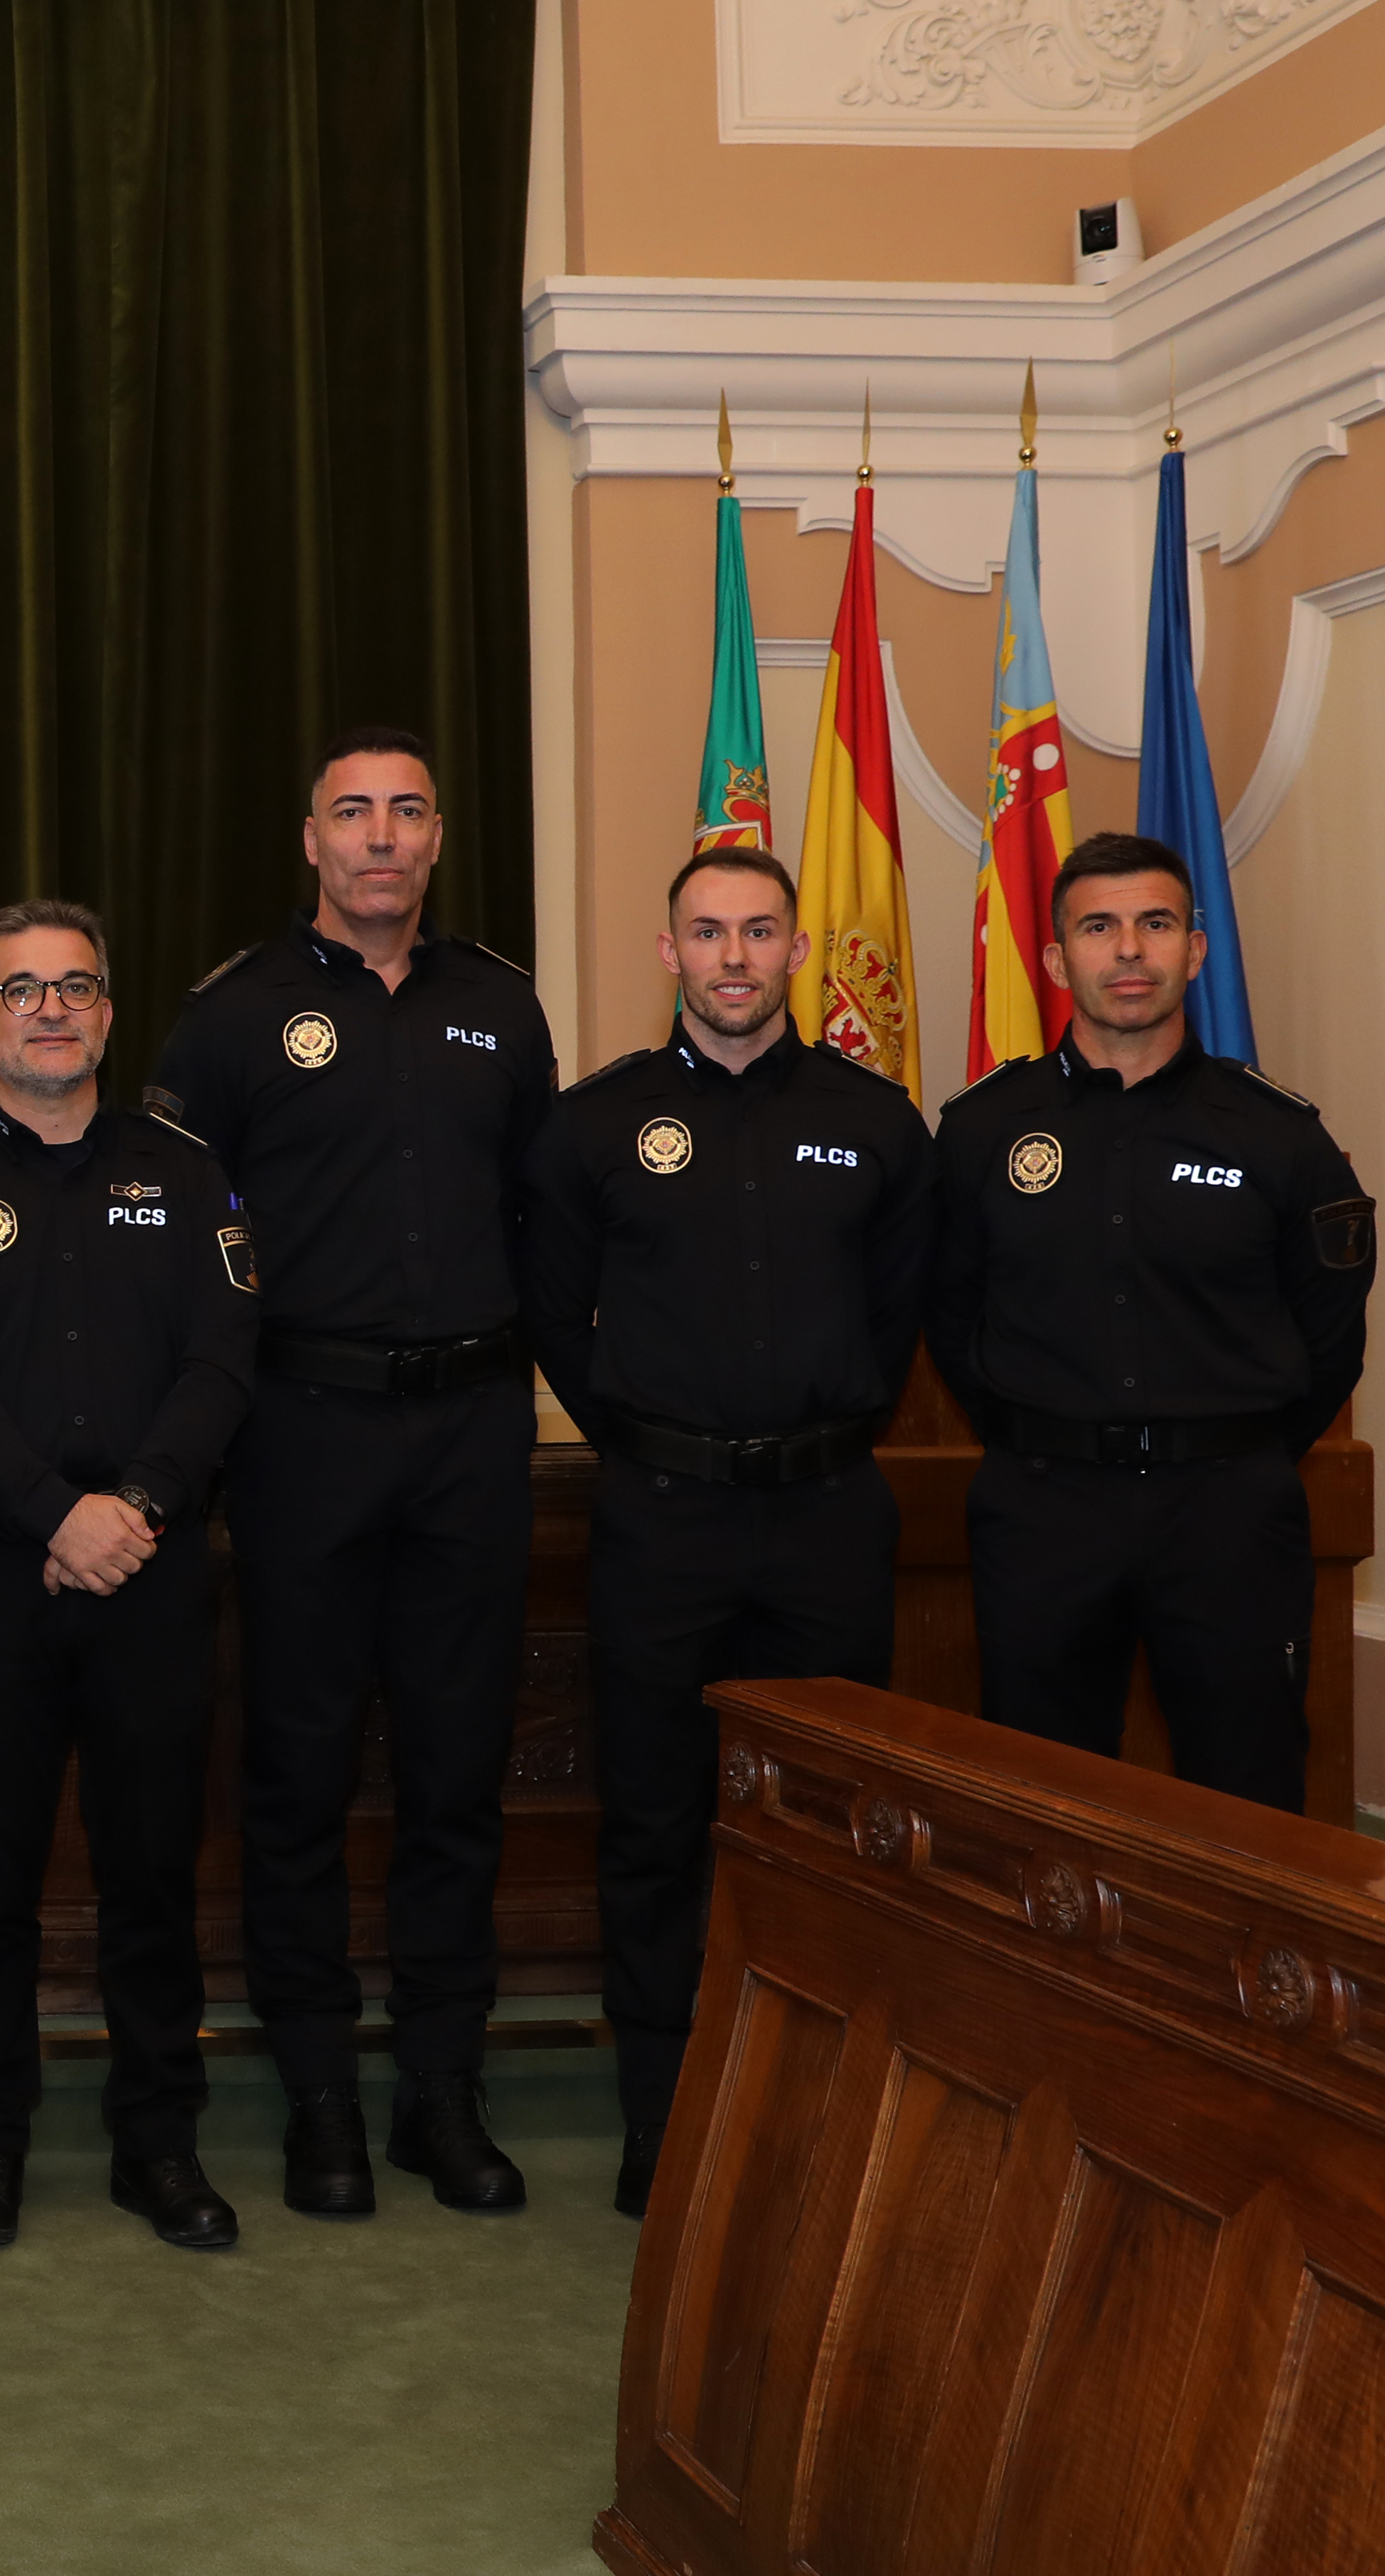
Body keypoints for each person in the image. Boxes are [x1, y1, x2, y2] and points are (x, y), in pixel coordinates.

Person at [144, 730, 555, 2218]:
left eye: (406, 813)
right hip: (302, 1430)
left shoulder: (501, 1008)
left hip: (468, 1435)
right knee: (298, 1774)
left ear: (438, 838)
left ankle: (443, 2092)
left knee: (457, 1773)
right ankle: (318, 2093)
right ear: (308, 839)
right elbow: (183, 1248)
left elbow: (541, 1215)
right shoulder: (231, 1018)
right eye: (351, 814)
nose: (380, 838)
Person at [521, 846, 927, 2218]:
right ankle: (665, 2114)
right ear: (669, 952)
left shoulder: (875, 1123)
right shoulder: (594, 1127)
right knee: (654, 1826)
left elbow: (899, 1314)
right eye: (709, 933)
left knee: (830, 1827)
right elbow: (556, 1317)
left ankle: (817, 2106)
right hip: (663, 1520)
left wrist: (820, 1420)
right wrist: (653, 1433)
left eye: (761, 932)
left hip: (825, 1519)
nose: (735, 957)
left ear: (800, 953)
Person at [0, 900, 259, 2253]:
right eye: (21, 990)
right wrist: (54, 1515)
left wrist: (137, 1506)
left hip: (152, 1573)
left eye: (77, 988)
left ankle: (158, 2148)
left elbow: (224, 1361)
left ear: (109, 1013)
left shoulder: (188, 1171)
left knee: (153, 1877)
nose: (52, 1010)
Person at [931, 830, 1371, 1814]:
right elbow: (949, 1312)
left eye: (1155, 923)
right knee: (1039, 1798)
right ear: (1056, 958)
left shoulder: (1279, 1136)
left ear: (1195, 949)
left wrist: (1234, 1445)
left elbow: (1331, 1329)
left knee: (1248, 1791)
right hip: (1045, 1506)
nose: (1129, 949)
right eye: (1099, 926)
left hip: (1227, 1512)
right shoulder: (980, 1132)